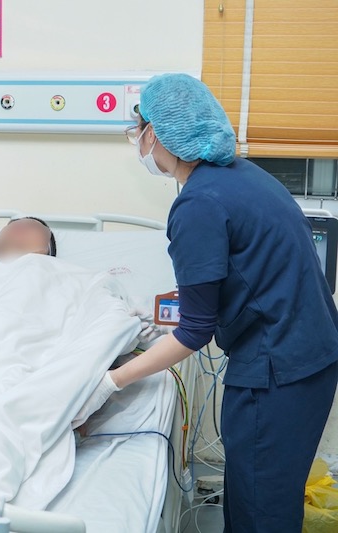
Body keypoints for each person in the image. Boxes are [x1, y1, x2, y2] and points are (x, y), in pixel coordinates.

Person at [75, 73, 338, 532]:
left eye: (138, 131)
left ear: (159, 134)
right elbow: (237, 276)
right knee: (259, 496)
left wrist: (111, 382)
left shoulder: (198, 205)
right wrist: (162, 313)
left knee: (262, 513)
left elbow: (195, 331)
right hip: (307, 355)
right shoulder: (241, 176)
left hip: (277, 373)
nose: (136, 142)